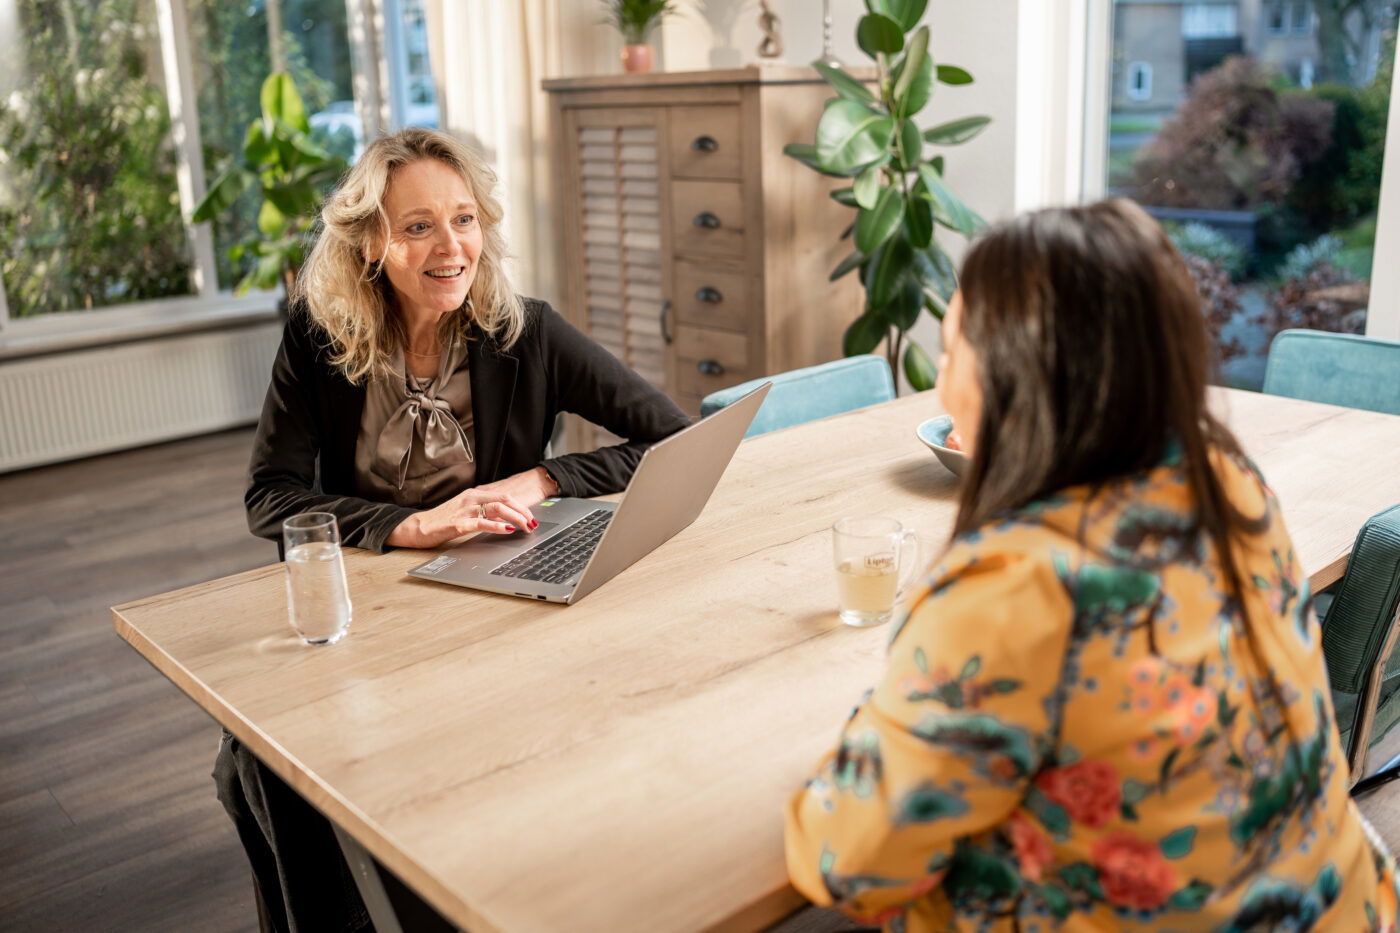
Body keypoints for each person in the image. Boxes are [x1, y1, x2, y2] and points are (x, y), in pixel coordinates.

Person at [784, 199, 1399, 932]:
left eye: (951, 355)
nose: (942, 386)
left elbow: (848, 862)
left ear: (1017, 381)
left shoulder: (1014, 582)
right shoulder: (1230, 483)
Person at [218, 127, 689, 931]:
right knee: (261, 763)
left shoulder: (526, 331)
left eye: (464, 219)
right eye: (418, 226)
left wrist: (546, 477)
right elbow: (271, 496)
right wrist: (411, 525)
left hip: (497, 608)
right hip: (375, 611)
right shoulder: (318, 338)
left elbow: (671, 434)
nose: (451, 246)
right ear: (370, 243)